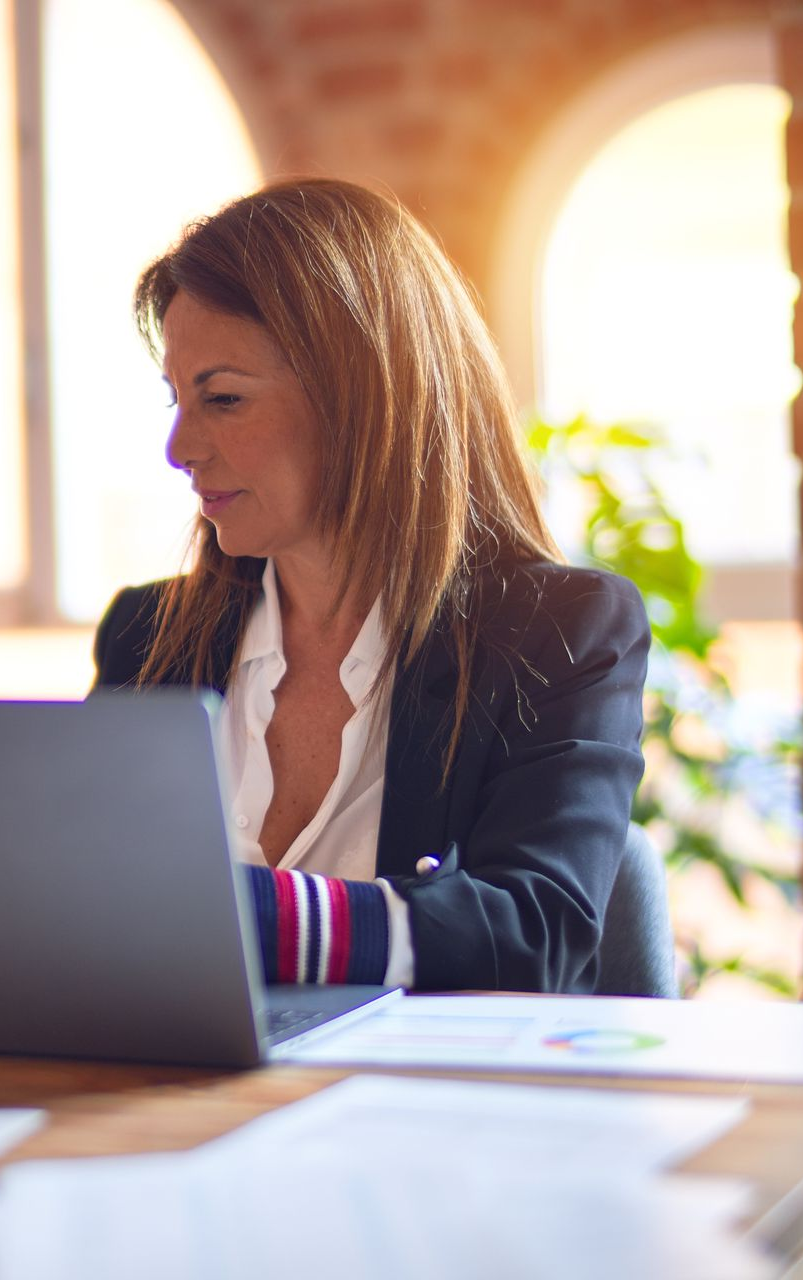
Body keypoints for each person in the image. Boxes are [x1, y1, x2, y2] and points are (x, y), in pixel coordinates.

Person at [93, 177, 649, 994]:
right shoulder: (146, 636)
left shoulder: (559, 632)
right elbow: (79, 907)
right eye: (178, 400)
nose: (180, 447)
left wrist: (226, 916)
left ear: (361, 396)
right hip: (166, 1111)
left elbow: (538, 933)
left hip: (424, 1115)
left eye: (222, 398)